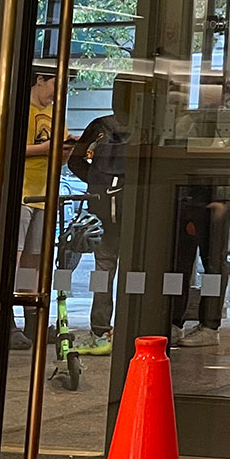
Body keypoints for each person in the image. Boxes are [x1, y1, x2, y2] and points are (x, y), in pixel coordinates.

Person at [65, 75, 134, 355]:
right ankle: (131, 328)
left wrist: (96, 181)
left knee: (103, 270)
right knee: (133, 272)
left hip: (101, 207)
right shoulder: (146, 128)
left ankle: (100, 330)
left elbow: (75, 161)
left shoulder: (100, 125)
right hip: (133, 208)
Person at [170, 75, 230, 348]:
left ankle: (210, 324)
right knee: (180, 263)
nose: (202, 93)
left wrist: (221, 198)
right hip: (187, 197)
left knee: (213, 264)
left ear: (225, 93)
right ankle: (174, 321)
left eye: (208, 88)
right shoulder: (192, 118)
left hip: (214, 199)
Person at [12, 67, 61, 351]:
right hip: (21, 193)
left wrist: (66, 149)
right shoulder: (21, 110)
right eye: (55, 84)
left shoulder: (54, 114)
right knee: (15, 257)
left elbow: (56, 153)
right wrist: (44, 150)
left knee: (33, 260)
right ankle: (8, 320)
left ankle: (32, 319)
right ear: (40, 79)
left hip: (44, 194)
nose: (57, 93)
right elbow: (11, 147)